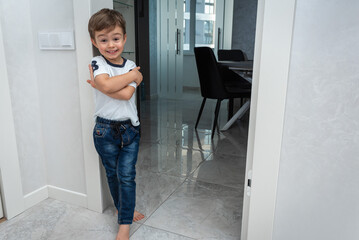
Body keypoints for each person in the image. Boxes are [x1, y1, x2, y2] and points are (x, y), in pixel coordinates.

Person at [87, 8, 144, 240]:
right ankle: (124, 210)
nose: (111, 45)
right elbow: (113, 89)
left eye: (116, 38)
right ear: (95, 41)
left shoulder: (129, 63)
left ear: (124, 38)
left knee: (127, 175)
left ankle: (125, 223)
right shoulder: (97, 62)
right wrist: (133, 77)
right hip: (104, 130)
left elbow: (125, 95)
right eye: (103, 40)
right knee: (113, 174)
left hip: (130, 129)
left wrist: (104, 85)